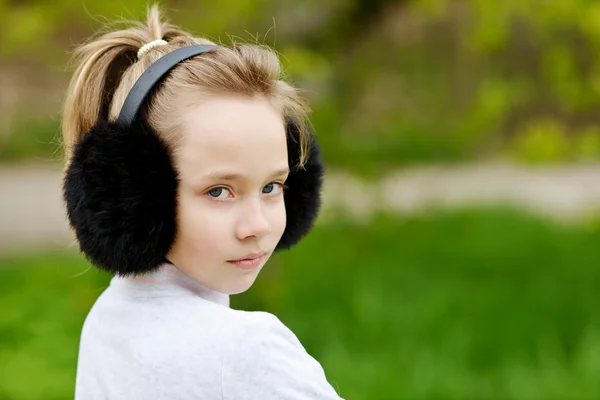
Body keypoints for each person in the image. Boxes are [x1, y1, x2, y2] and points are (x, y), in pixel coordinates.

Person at [60, 4, 344, 399]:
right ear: (135, 198)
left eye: (272, 186)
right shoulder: (252, 350)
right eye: (219, 191)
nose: (258, 226)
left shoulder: (107, 319)